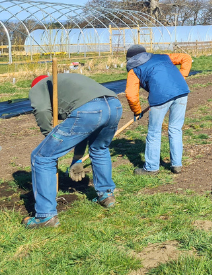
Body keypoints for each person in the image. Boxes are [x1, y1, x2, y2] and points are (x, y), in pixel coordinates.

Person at [25, 73, 123, 228]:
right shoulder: (67, 81)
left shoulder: (38, 86)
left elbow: (42, 110)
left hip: (89, 110)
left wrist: (49, 136)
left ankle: (45, 216)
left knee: (42, 157)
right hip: (114, 105)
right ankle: (106, 196)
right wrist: (77, 159)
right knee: (99, 148)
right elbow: (83, 129)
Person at [124, 45, 192, 175]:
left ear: (129, 59)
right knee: (175, 129)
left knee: (154, 132)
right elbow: (186, 57)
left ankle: (151, 168)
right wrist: (181, 76)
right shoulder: (163, 56)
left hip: (160, 97)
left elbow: (131, 95)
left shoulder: (134, 69)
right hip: (182, 91)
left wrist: (137, 111)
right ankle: (176, 165)